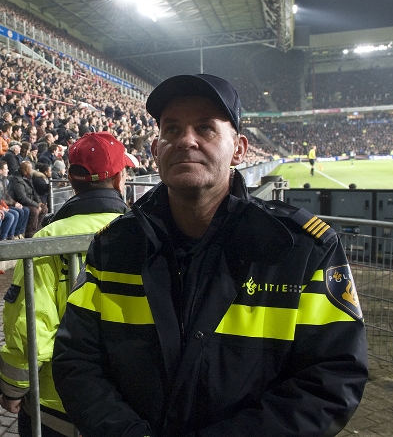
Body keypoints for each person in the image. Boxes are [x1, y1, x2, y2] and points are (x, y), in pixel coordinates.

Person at [52, 74, 368, 437]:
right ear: (155, 151)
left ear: (239, 149)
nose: (186, 140)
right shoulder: (114, 247)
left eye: (205, 128)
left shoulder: (302, 250)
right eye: (171, 129)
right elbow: (76, 359)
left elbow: (332, 376)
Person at [0, 132, 137, 436]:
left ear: (73, 182)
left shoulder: (47, 240)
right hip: (127, 404)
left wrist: (13, 388)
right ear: (118, 180)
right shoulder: (143, 233)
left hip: (56, 404)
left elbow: (30, 323)